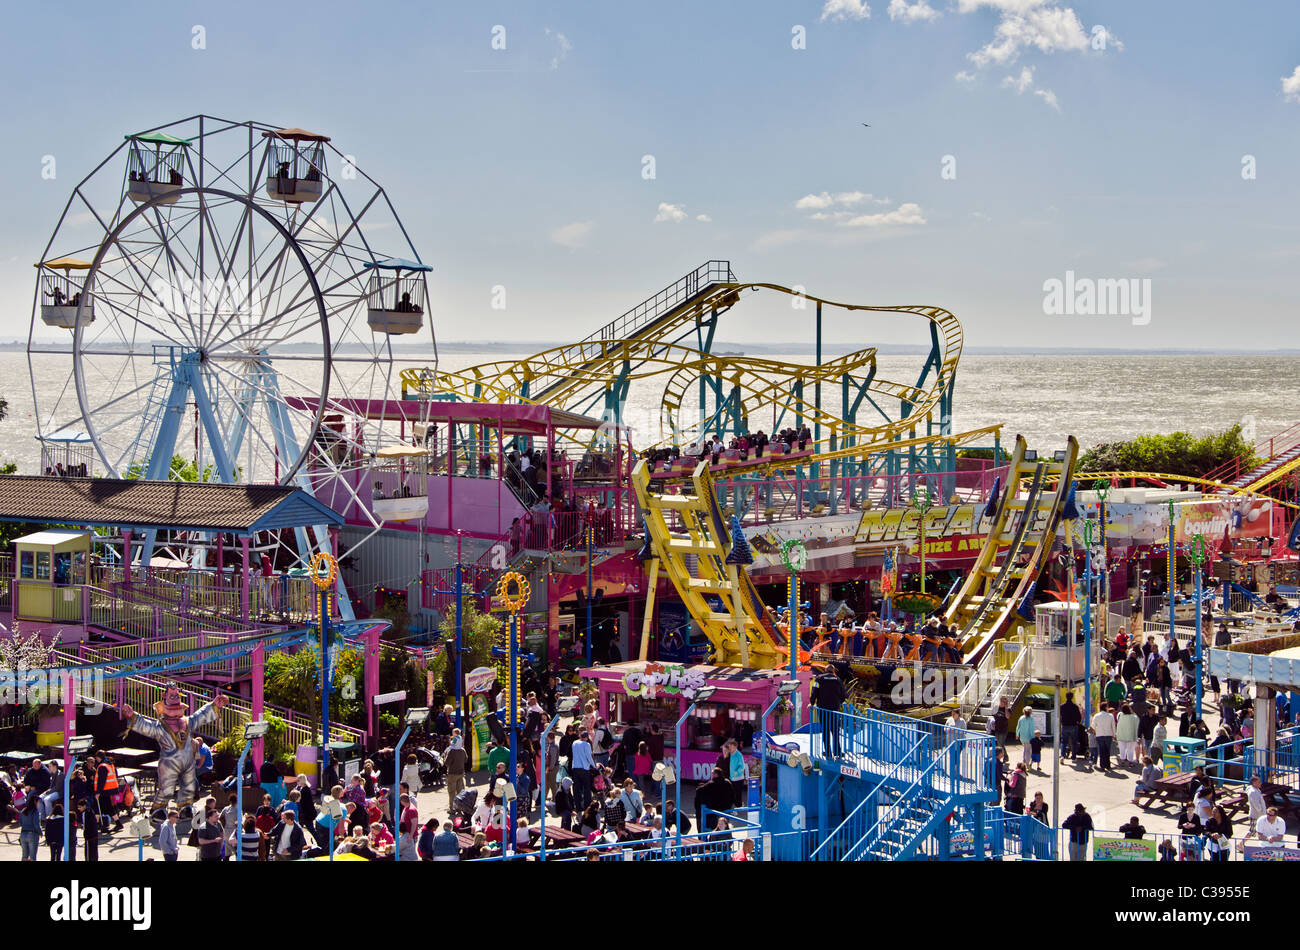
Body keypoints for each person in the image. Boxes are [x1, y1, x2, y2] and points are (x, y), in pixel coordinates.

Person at [570, 730, 595, 812]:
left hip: (575, 767)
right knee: (586, 788)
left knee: (576, 788)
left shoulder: (574, 743)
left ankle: (577, 806)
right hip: (584, 768)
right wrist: (594, 766)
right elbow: (589, 756)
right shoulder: (587, 745)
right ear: (587, 738)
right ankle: (587, 805)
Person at [1090, 705, 1116, 771]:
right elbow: (1113, 726)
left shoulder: (1096, 716)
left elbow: (1093, 726)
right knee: (1107, 751)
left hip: (1099, 735)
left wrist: (1096, 731)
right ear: (1106, 708)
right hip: (1108, 735)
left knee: (1101, 751)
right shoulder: (1110, 716)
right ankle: (1108, 765)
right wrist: (1114, 735)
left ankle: (1102, 766)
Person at [1059, 692, 1081, 759]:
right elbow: (1079, 717)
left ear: (1066, 697)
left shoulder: (1062, 706)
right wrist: (1078, 722)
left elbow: (1060, 715)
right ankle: (1073, 756)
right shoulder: (1075, 706)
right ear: (1072, 697)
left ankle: (1062, 755)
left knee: (1064, 741)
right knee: (1074, 742)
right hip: (1073, 725)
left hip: (1065, 725)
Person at [18, 795, 41, 861]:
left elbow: (20, 823)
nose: (39, 804)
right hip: (32, 834)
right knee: (32, 857)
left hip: (23, 834)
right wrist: (40, 832)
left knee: (24, 856)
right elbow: (36, 824)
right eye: (38, 802)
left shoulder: (23, 811)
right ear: (35, 802)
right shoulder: (35, 812)